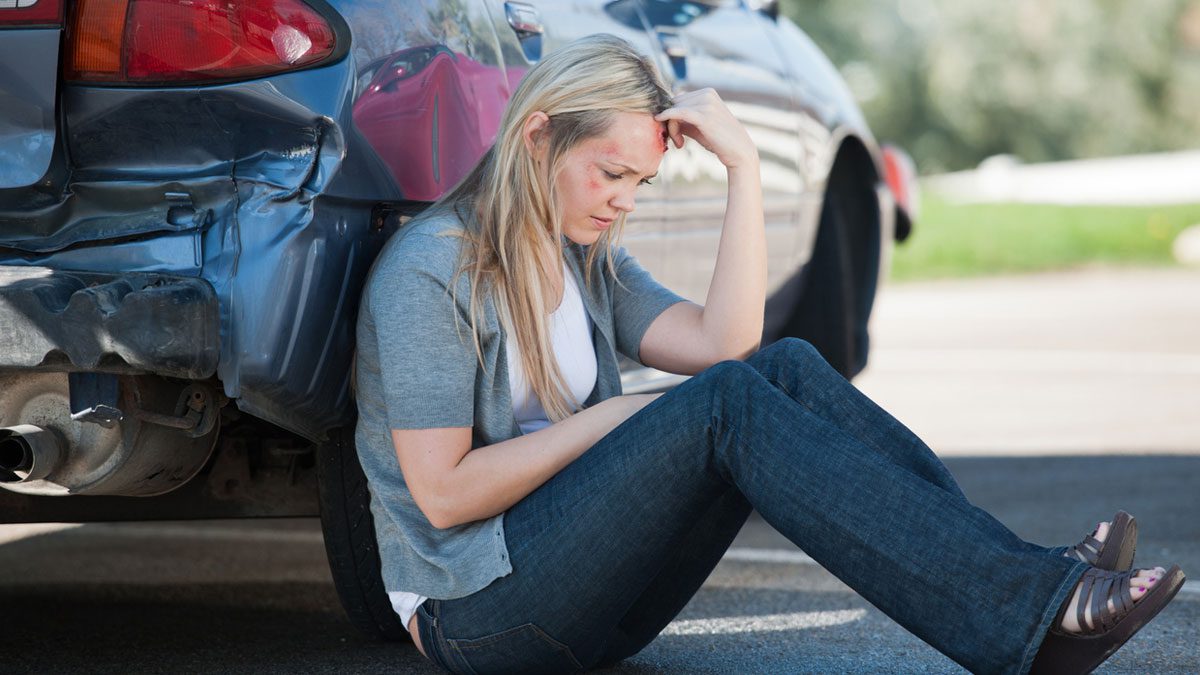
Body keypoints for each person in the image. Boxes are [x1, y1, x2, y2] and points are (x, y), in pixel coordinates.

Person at [353, 34, 1184, 675]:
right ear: (537, 139)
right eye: (610, 173)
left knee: (776, 368)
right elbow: (443, 494)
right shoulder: (432, 270)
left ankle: (1024, 579)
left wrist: (744, 165)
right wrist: (612, 417)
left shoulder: (581, 256)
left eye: (638, 183)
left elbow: (727, 342)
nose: (622, 202)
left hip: (596, 603)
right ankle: (1031, 615)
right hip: (476, 615)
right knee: (726, 404)